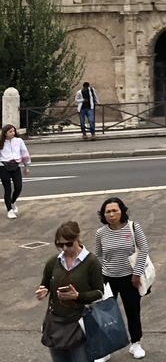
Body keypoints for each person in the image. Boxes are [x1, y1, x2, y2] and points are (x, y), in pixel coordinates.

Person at [37, 221, 105, 362]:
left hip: (79, 323)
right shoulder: (53, 262)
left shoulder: (91, 262)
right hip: (56, 323)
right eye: (60, 245)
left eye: (68, 244)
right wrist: (43, 291)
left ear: (78, 238)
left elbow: (99, 292)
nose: (64, 248)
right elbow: (45, 285)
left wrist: (78, 296)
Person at [95, 197, 150, 359]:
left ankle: (136, 343)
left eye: (115, 210)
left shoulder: (133, 227)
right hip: (108, 277)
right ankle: (108, 348)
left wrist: (137, 273)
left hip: (130, 277)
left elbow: (143, 250)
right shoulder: (100, 233)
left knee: (132, 311)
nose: (111, 214)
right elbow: (98, 256)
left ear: (122, 211)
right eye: (108, 211)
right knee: (106, 314)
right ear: (103, 215)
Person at [1, 123, 30, 219]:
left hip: (15, 166)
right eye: (10, 131)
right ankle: (9, 210)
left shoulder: (19, 141)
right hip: (3, 167)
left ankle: (12, 202)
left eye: (13, 131)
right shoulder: (1, 142)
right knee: (7, 189)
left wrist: (27, 166)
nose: (13, 133)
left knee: (18, 188)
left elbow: (24, 152)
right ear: (5, 133)